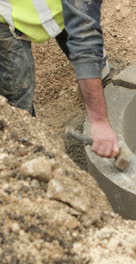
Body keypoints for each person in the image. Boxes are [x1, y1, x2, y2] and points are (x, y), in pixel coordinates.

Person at [0, 0, 119, 158]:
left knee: (98, 64)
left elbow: (85, 34)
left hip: (61, 10)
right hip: (6, 17)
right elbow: (85, 43)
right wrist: (99, 121)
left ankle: (104, 93)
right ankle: (31, 155)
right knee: (18, 97)